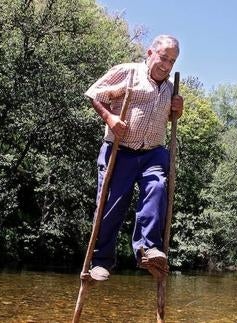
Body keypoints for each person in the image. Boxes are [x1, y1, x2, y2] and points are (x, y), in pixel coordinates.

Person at [84, 35, 184, 281]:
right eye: (163, 58)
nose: (166, 65)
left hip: (152, 152)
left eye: (172, 61)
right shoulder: (128, 73)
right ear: (150, 53)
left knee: (158, 188)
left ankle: (148, 250)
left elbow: (168, 119)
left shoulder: (171, 88)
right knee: (110, 204)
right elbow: (95, 94)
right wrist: (110, 118)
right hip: (120, 150)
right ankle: (101, 261)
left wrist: (177, 111)